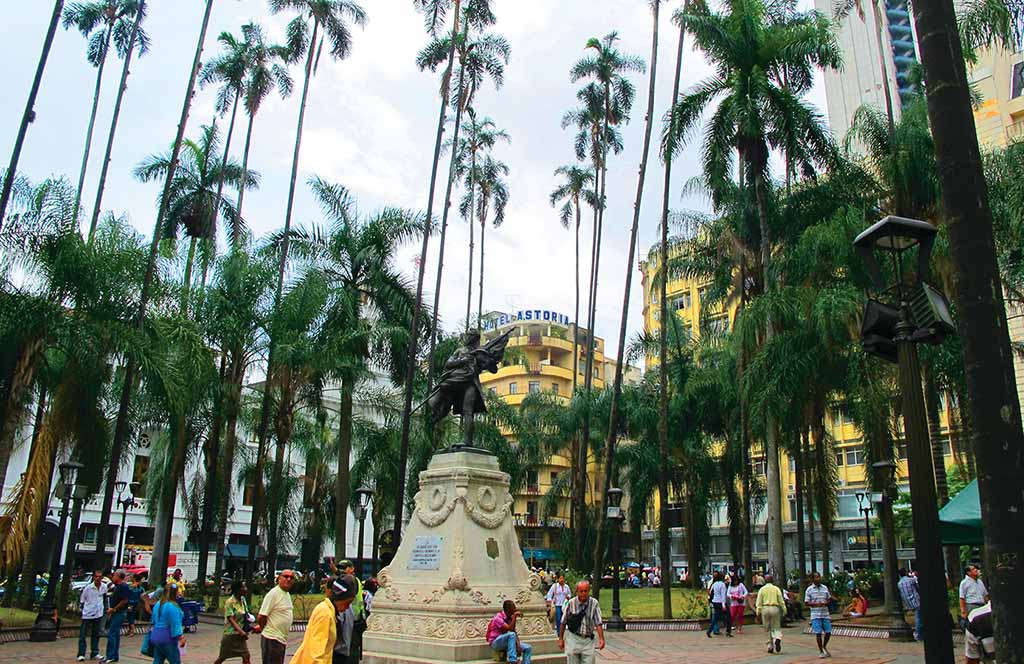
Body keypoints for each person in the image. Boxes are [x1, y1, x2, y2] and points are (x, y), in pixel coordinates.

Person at [288, 576, 357, 664]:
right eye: (347, 603)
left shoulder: (328, 611)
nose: (347, 607)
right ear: (339, 598)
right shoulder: (325, 614)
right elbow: (316, 652)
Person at [558, 581, 605, 664]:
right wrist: (561, 639)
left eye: (586, 591)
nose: (584, 593)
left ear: (589, 591)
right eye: (581, 591)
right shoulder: (571, 603)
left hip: (588, 640)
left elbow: (598, 622)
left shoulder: (594, 603)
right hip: (573, 639)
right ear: (577, 592)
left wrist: (601, 638)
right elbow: (563, 622)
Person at [257, 569, 296, 664]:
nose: (289, 579)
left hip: (280, 640)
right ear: (279, 579)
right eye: (286, 576)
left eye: (291, 577)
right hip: (272, 639)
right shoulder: (273, 594)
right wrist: (264, 629)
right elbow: (261, 616)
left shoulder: (285, 594)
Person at [214, 581, 253, 664]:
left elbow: (245, 614)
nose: (246, 589)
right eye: (243, 587)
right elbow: (230, 619)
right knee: (222, 657)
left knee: (246, 655)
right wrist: (241, 631)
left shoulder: (243, 600)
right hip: (230, 635)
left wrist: (249, 626)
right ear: (238, 590)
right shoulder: (230, 602)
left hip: (239, 635)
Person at [150, 583, 187, 664]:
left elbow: (153, 619)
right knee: (175, 661)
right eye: (178, 591)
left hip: (156, 635)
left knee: (158, 660)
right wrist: (181, 637)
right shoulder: (172, 606)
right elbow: (175, 623)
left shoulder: (158, 604)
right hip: (167, 637)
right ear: (175, 593)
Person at [487, 600, 532, 664]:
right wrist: (514, 617)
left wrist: (518, 644)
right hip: (495, 642)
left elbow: (513, 631)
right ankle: (512, 660)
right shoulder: (498, 617)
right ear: (508, 609)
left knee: (528, 648)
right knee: (511, 634)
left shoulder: (510, 617)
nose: (515, 609)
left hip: (507, 641)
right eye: (513, 608)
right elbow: (510, 629)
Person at [336, 561, 365, 660]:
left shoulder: (352, 581)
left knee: (351, 650)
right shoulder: (347, 580)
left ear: (352, 568)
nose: (342, 570)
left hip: (354, 620)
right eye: (340, 568)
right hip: (347, 619)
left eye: (345, 568)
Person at [77, 570, 107, 661]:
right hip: (88, 614)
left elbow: (104, 598)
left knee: (96, 634)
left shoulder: (104, 587)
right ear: (94, 577)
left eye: (100, 577)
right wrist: (83, 610)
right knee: (83, 634)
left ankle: (95, 652)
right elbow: (82, 600)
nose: (98, 578)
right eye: (96, 577)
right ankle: (81, 653)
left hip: (98, 613)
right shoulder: (88, 588)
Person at [105, 570, 132, 662]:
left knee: (112, 633)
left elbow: (124, 600)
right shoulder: (117, 587)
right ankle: (114, 655)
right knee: (115, 634)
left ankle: (110, 655)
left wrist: (114, 609)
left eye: (114, 575)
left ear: (118, 576)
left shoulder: (123, 587)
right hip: (116, 612)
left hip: (119, 613)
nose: (113, 577)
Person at [804, 572, 833, 658]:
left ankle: (824, 646)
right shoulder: (809, 590)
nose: (818, 579)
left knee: (828, 632)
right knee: (818, 633)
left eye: (819, 577)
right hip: (815, 614)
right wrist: (815, 604)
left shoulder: (824, 588)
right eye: (816, 577)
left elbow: (829, 599)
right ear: (813, 579)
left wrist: (826, 603)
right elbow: (806, 602)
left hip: (825, 613)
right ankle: (821, 650)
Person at [755, 574, 786, 654]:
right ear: (772, 580)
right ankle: (777, 638)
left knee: (767, 628)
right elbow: (781, 601)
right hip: (775, 608)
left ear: (765, 580)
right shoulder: (776, 589)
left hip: (765, 608)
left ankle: (770, 646)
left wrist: (758, 612)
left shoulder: (762, 589)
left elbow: (759, 602)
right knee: (776, 626)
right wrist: (784, 610)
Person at [897, 569, 922, 641]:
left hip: (908, 603)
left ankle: (920, 634)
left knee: (918, 617)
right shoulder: (911, 580)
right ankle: (919, 635)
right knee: (919, 619)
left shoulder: (899, 583)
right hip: (917, 601)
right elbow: (918, 587)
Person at [706, 571, 729, 637]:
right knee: (727, 616)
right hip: (720, 602)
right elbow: (723, 595)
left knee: (716, 617)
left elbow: (710, 591)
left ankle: (710, 630)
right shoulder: (722, 585)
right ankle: (728, 630)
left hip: (715, 601)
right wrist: (723, 605)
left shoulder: (714, 584)